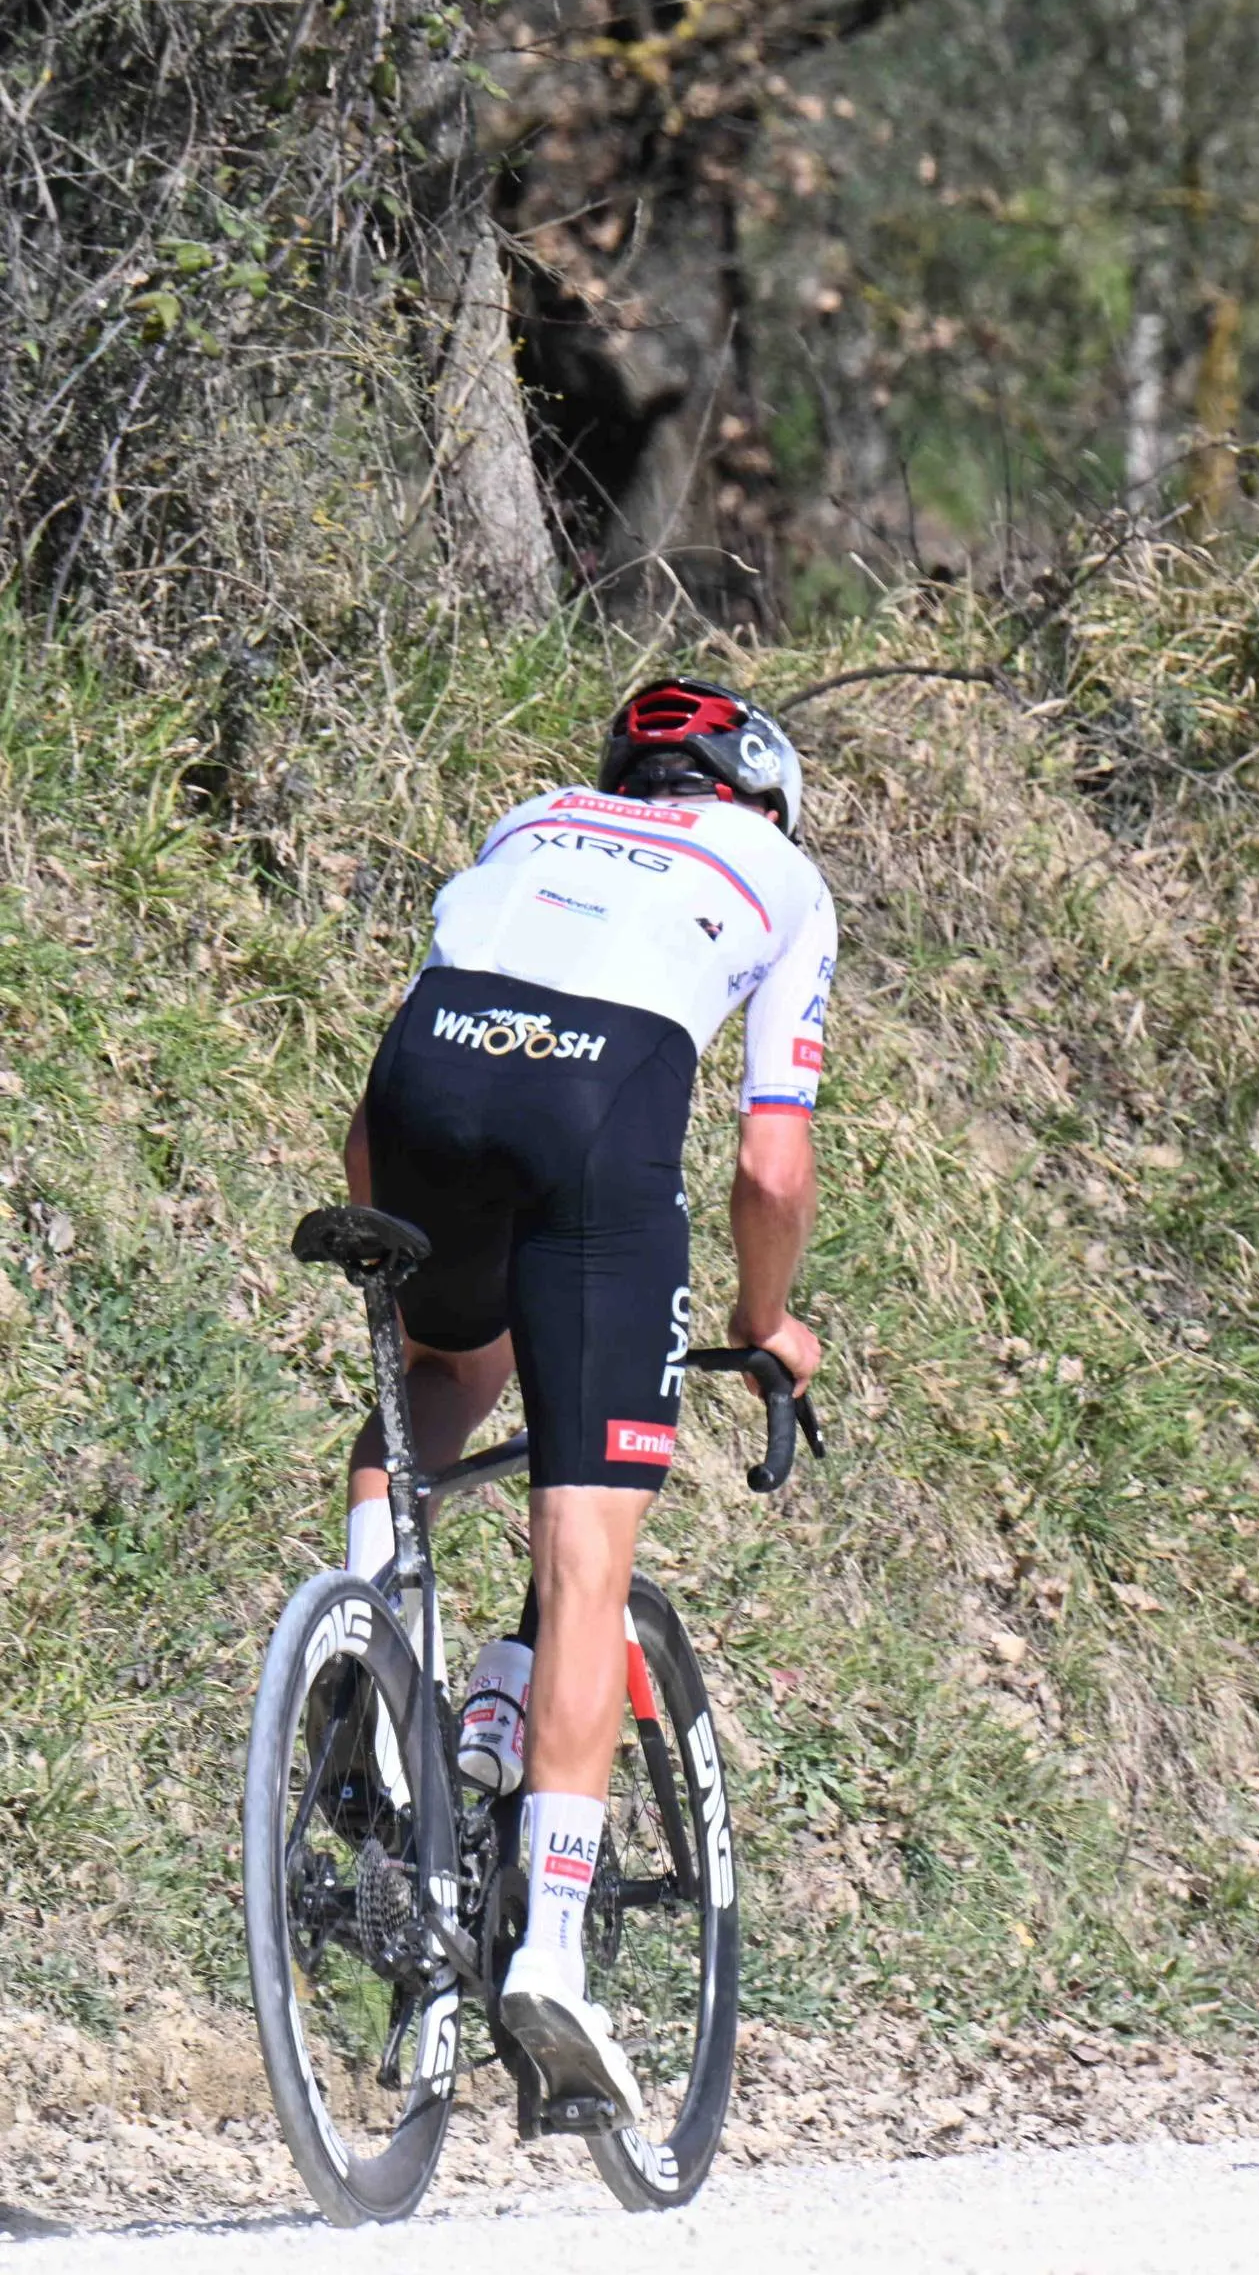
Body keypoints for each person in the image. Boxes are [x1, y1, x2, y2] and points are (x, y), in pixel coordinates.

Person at [332, 677, 835, 2122]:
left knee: (445, 1365)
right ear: (760, 796)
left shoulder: (537, 818)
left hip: (423, 1092)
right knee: (584, 1551)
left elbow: (392, 1082)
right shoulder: (783, 877)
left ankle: (377, 1631)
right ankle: (550, 1948)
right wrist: (764, 1322)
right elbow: (768, 1170)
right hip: (594, 1119)